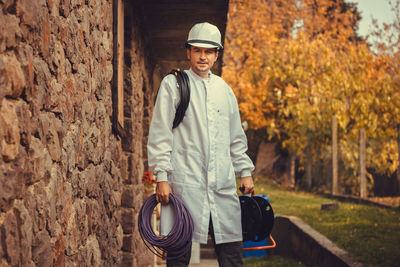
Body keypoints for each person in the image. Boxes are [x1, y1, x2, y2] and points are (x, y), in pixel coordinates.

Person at [147, 22, 255, 267]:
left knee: (232, 256)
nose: (203, 56)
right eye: (197, 50)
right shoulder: (173, 84)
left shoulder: (225, 91)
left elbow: (235, 138)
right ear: (188, 52)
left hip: (222, 187)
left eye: (209, 51)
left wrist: (245, 172)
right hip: (186, 184)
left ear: (217, 54)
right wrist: (161, 176)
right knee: (178, 256)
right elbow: (160, 133)